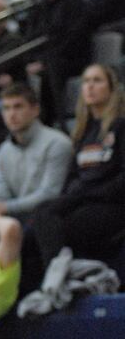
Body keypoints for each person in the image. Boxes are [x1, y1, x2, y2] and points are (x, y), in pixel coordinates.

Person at [31, 64, 125, 271]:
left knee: (58, 226)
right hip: (83, 200)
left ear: (111, 88)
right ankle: (54, 279)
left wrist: (88, 193)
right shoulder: (83, 131)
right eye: (86, 81)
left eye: (97, 80)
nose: (90, 86)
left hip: (111, 204)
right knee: (38, 217)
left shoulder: (120, 126)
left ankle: (60, 278)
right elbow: (73, 176)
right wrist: (73, 196)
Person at [0, 83, 73, 221]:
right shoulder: (3, 150)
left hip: (49, 219)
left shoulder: (57, 143)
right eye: (6, 108)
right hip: (16, 218)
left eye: (18, 107)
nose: (12, 114)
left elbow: (50, 194)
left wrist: (5, 207)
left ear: (35, 110)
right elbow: (0, 193)